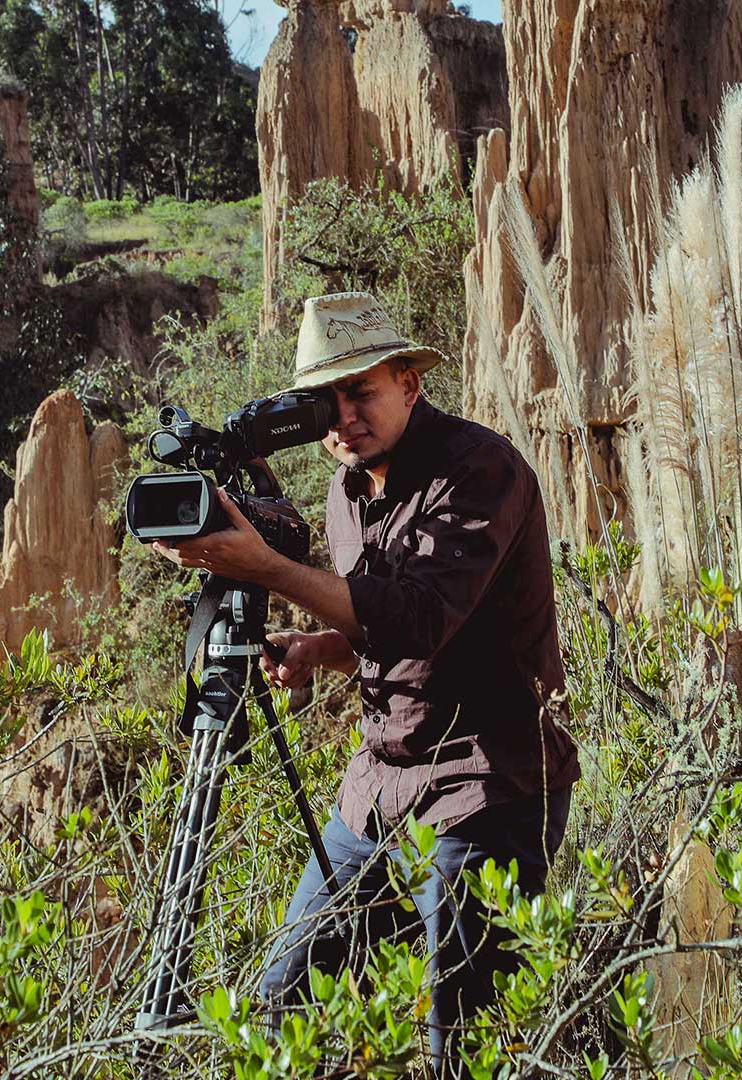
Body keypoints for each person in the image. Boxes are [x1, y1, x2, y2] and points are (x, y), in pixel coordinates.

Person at [150, 291, 580, 1075]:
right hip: (377, 786)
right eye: (328, 399)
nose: (345, 416)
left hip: (484, 784)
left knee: (464, 1039)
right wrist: (322, 648)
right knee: (284, 1005)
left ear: (411, 382)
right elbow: (388, 637)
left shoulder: (478, 470)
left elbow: (419, 620)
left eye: (363, 391)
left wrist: (271, 569)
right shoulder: (347, 493)